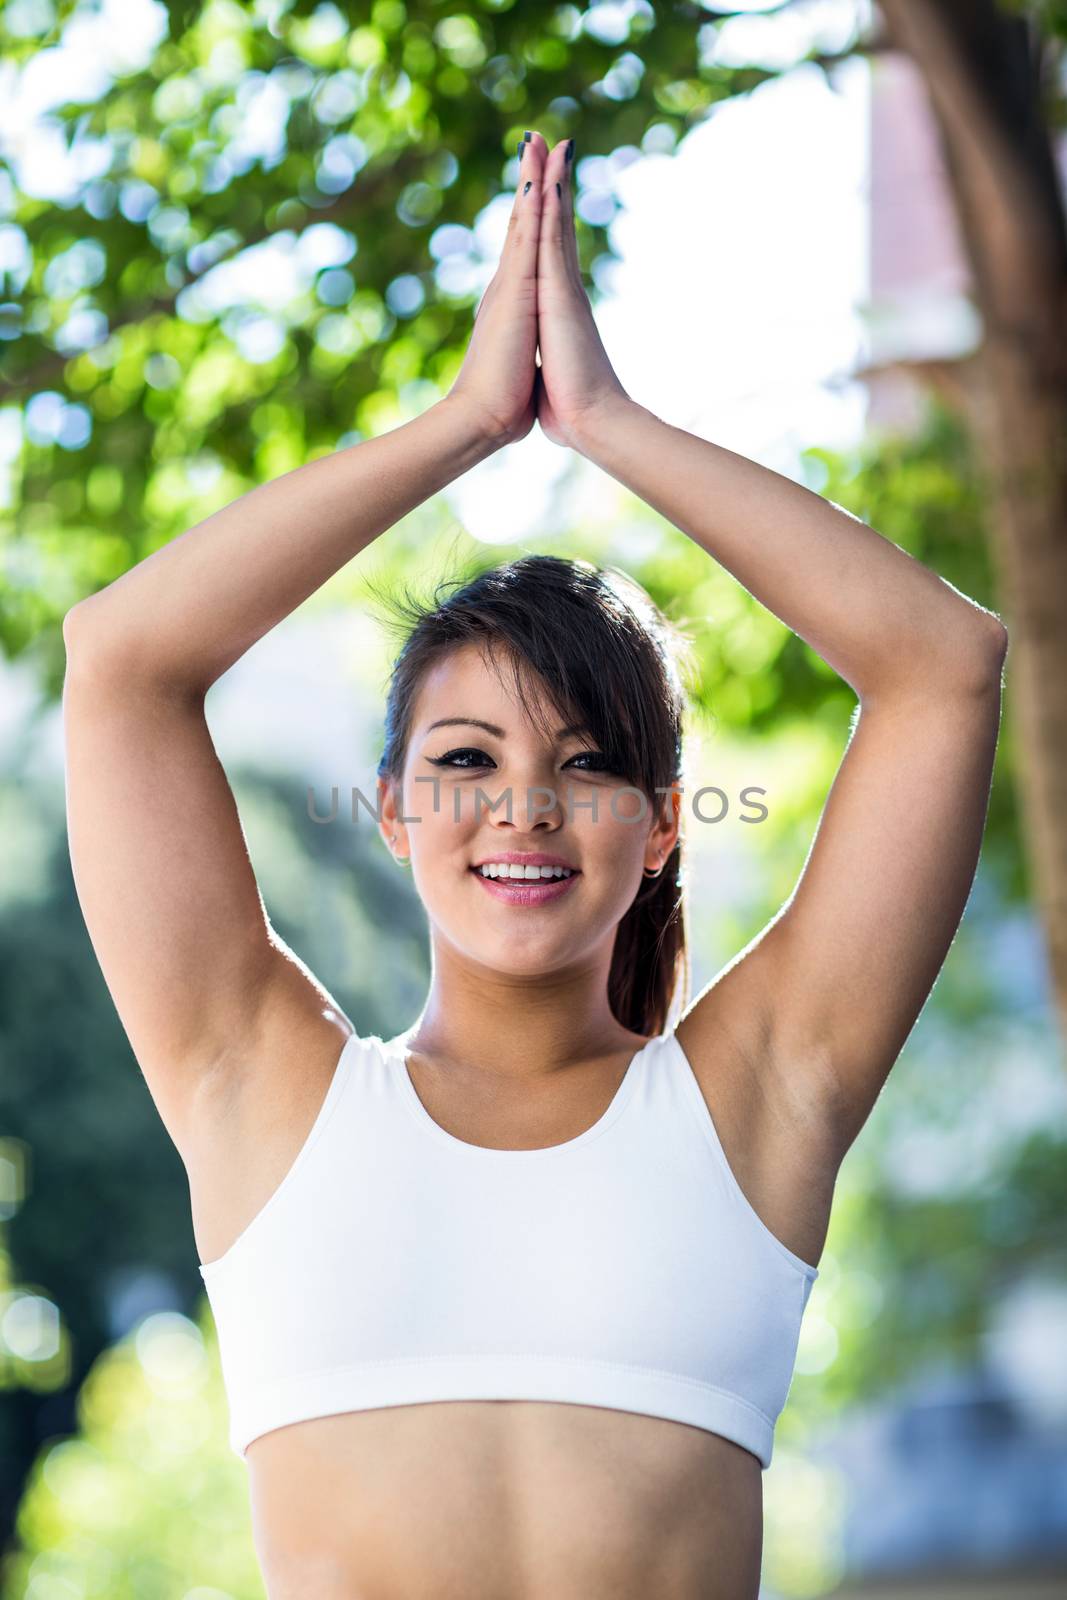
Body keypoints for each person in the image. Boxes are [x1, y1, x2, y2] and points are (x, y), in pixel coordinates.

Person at [62, 130, 1007, 1600]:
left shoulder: (758, 1099)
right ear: (387, 810)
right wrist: (464, 422)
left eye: (587, 763)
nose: (525, 809)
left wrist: (605, 421)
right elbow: (119, 660)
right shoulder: (260, 1088)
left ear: (664, 820)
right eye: (463, 761)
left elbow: (945, 663)